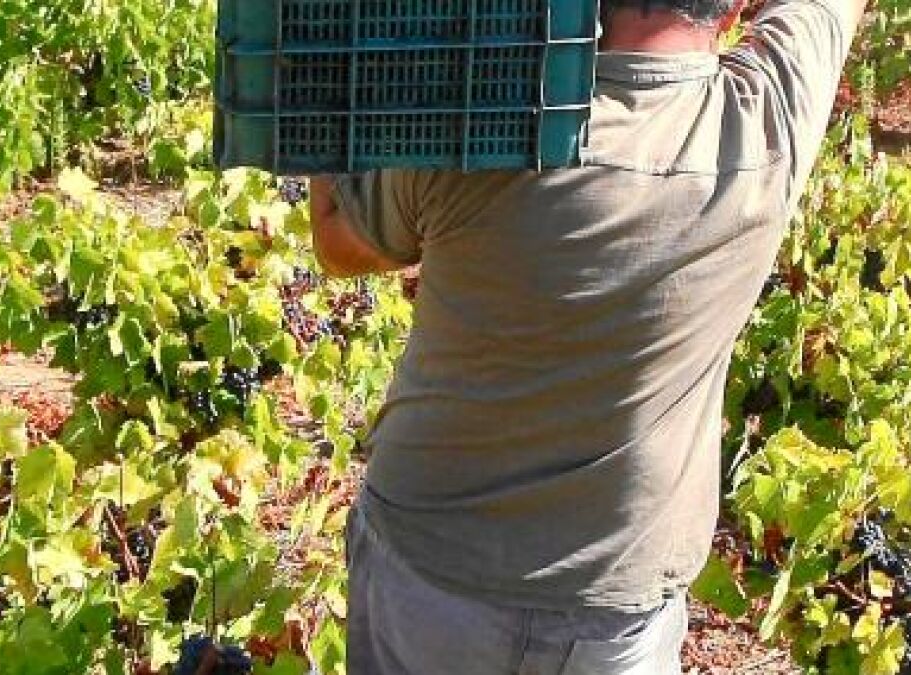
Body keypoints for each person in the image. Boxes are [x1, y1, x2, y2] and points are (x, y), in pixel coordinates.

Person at [309, 0, 868, 672]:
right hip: (610, 614)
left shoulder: (482, 118)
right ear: (736, 10)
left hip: (429, 574)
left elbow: (337, 241)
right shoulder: (766, 124)